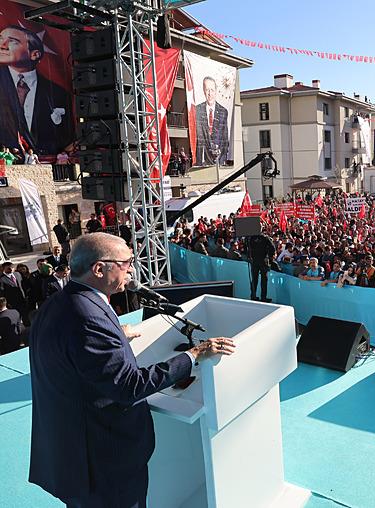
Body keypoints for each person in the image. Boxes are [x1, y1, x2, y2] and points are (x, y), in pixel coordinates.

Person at [28, 232, 236, 506]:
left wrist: (116, 334)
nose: (132, 269)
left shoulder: (60, 303)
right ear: (99, 269)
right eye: (126, 262)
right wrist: (194, 355)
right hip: (103, 463)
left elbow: (72, 352)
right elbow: (129, 387)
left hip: (71, 453)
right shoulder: (88, 319)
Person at [0, 26, 73, 154]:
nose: (3, 45)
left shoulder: (57, 93)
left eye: (13, 41)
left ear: (34, 54)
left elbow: (65, 138)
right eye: (0, 39)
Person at [194, 76, 229, 166]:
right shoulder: (197, 110)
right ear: (203, 91)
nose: (210, 93)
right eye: (207, 90)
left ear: (216, 91)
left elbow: (225, 139)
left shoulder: (223, 111)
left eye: (212, 90)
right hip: (201, 161)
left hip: (218, 161)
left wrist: (222, 160)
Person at [248, 232, 275, 302]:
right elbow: (272, 247)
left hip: (254, 261)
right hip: (263, 261)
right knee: (264, 280)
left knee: (254, 279)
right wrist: (269, 256)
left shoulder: (251, 238)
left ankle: (253, 296)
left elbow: (247, 248)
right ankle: (263, 297)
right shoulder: (265, 238)